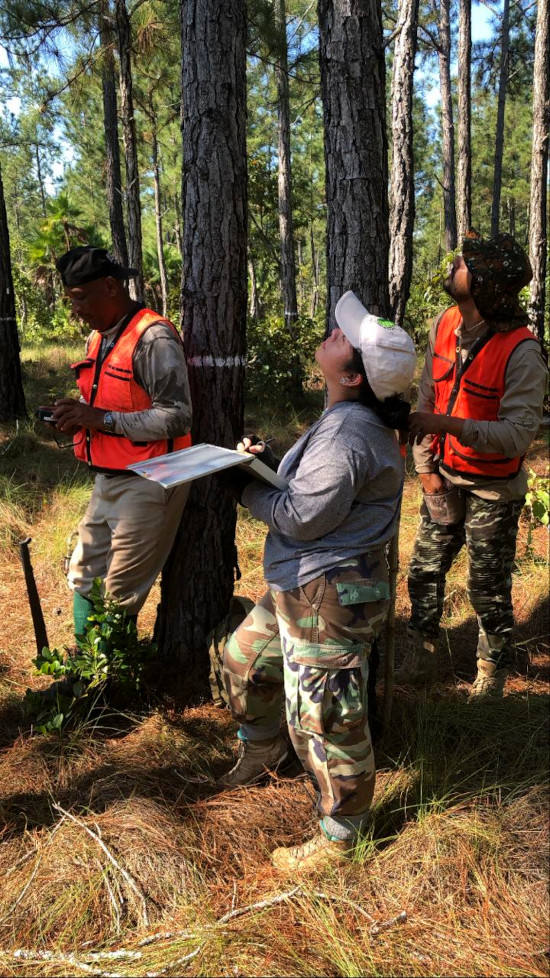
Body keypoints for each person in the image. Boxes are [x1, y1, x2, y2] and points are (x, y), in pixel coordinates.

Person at [218, 291, 416, 874]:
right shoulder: (345, 419)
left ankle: (340, 836)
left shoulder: (350, 432)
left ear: (353, 374)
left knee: (327, 716)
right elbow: (319, 491)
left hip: (327, 592)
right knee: (244, 662)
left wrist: (243, 487)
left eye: (342, 337)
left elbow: (303, 515)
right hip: (304, 583)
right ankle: (263, 749)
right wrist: (269, 462)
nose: (333, 330)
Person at [403, 230, 547, 698]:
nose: (454, 265)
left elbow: (517, 436)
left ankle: (491, 674)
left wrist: (450, 426)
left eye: (465, 263)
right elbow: (428, 395)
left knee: (487, 587)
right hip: (442, 478)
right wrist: (426, 472)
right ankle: (419, 650)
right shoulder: (444, 323)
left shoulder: (522, 352)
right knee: (424, 570)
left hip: (492, 490)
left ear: (484, 284)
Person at [47, 246, 192, 641]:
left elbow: (177, 415)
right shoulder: (99, 337)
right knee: (83, 574)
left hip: (151, 479)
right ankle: (87, 670)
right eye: (70, 299)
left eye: (80, 298)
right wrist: (77, 416)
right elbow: (108, 402)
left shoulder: (154, 336)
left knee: (118, 594)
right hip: (107, 478)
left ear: (110, 286)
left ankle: (108, 688)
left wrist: (101, 419)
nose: (75, 309)